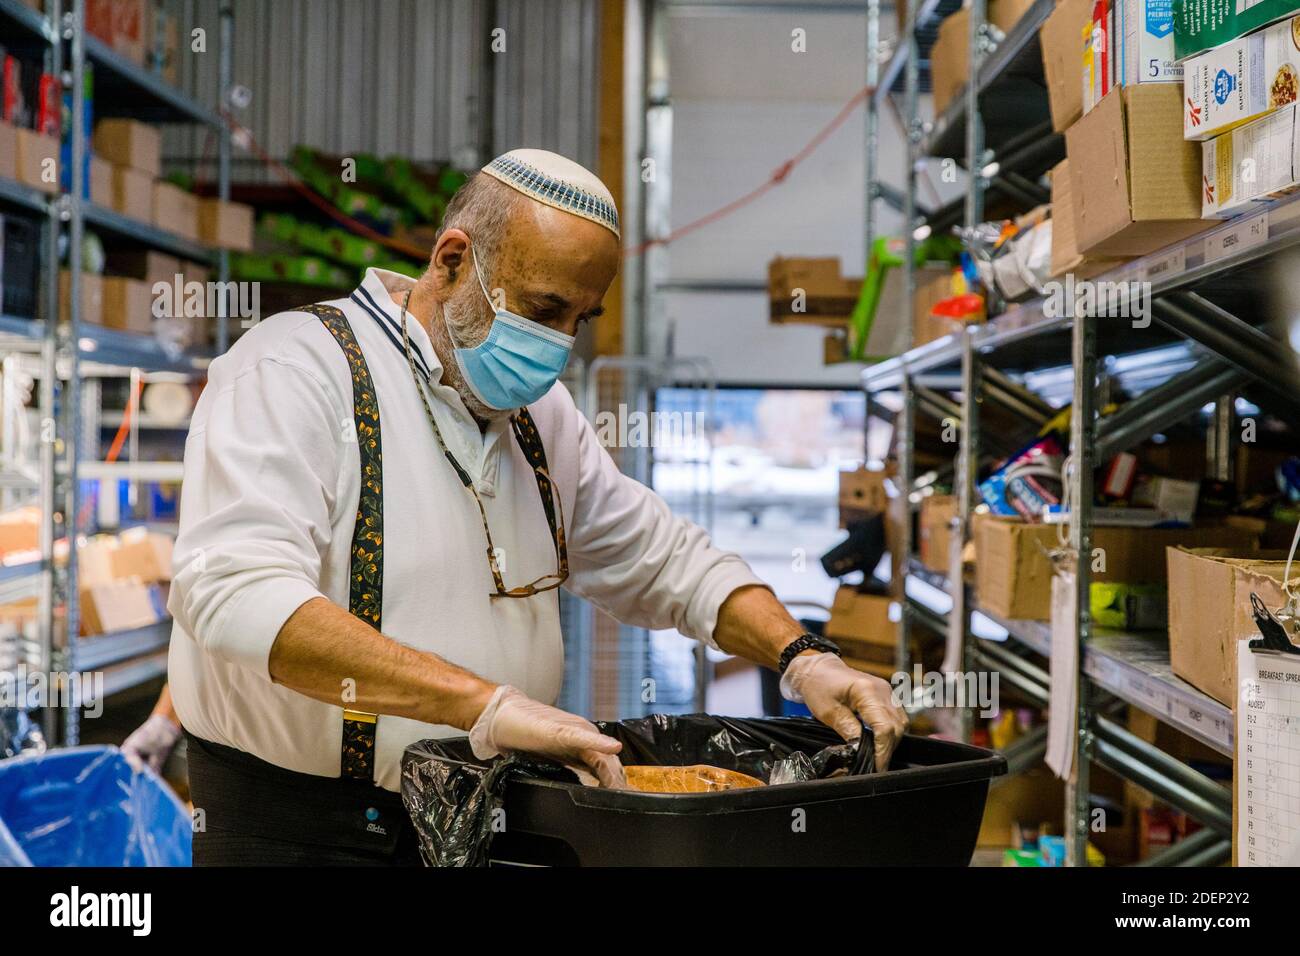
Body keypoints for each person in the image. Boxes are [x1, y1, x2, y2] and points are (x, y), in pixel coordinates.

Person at [168, 148, 908, 865]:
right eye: (544, 308)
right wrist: (482, 705)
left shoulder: (538, 414)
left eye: (580, 320)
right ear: (453, 260)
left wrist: (802, 657)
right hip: (304, 831)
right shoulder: (296, 368)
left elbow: (666, 561)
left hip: (479, 819)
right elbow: (238, 595)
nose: (558, 347)